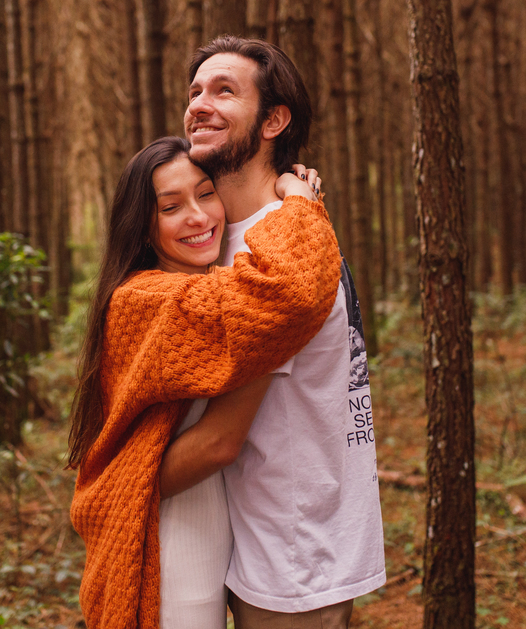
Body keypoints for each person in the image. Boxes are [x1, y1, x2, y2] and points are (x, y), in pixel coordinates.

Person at [68, 136, 340, 629]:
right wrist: (297, 202)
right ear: (144, 229)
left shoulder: (191, 293)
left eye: (206, 194)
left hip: (208, 544)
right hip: (173, 555)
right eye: (171, 207)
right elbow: (284, 303)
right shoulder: (148, 299)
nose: (198, 217)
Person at [164, 36, 386, 629]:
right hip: (281, 542)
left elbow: (220, 440)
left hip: (295, 556)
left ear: (274, 120)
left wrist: (112, 484)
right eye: (195, 92)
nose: (199, 105)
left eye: (224, 91)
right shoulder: (283, 227)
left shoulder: (278, 255)